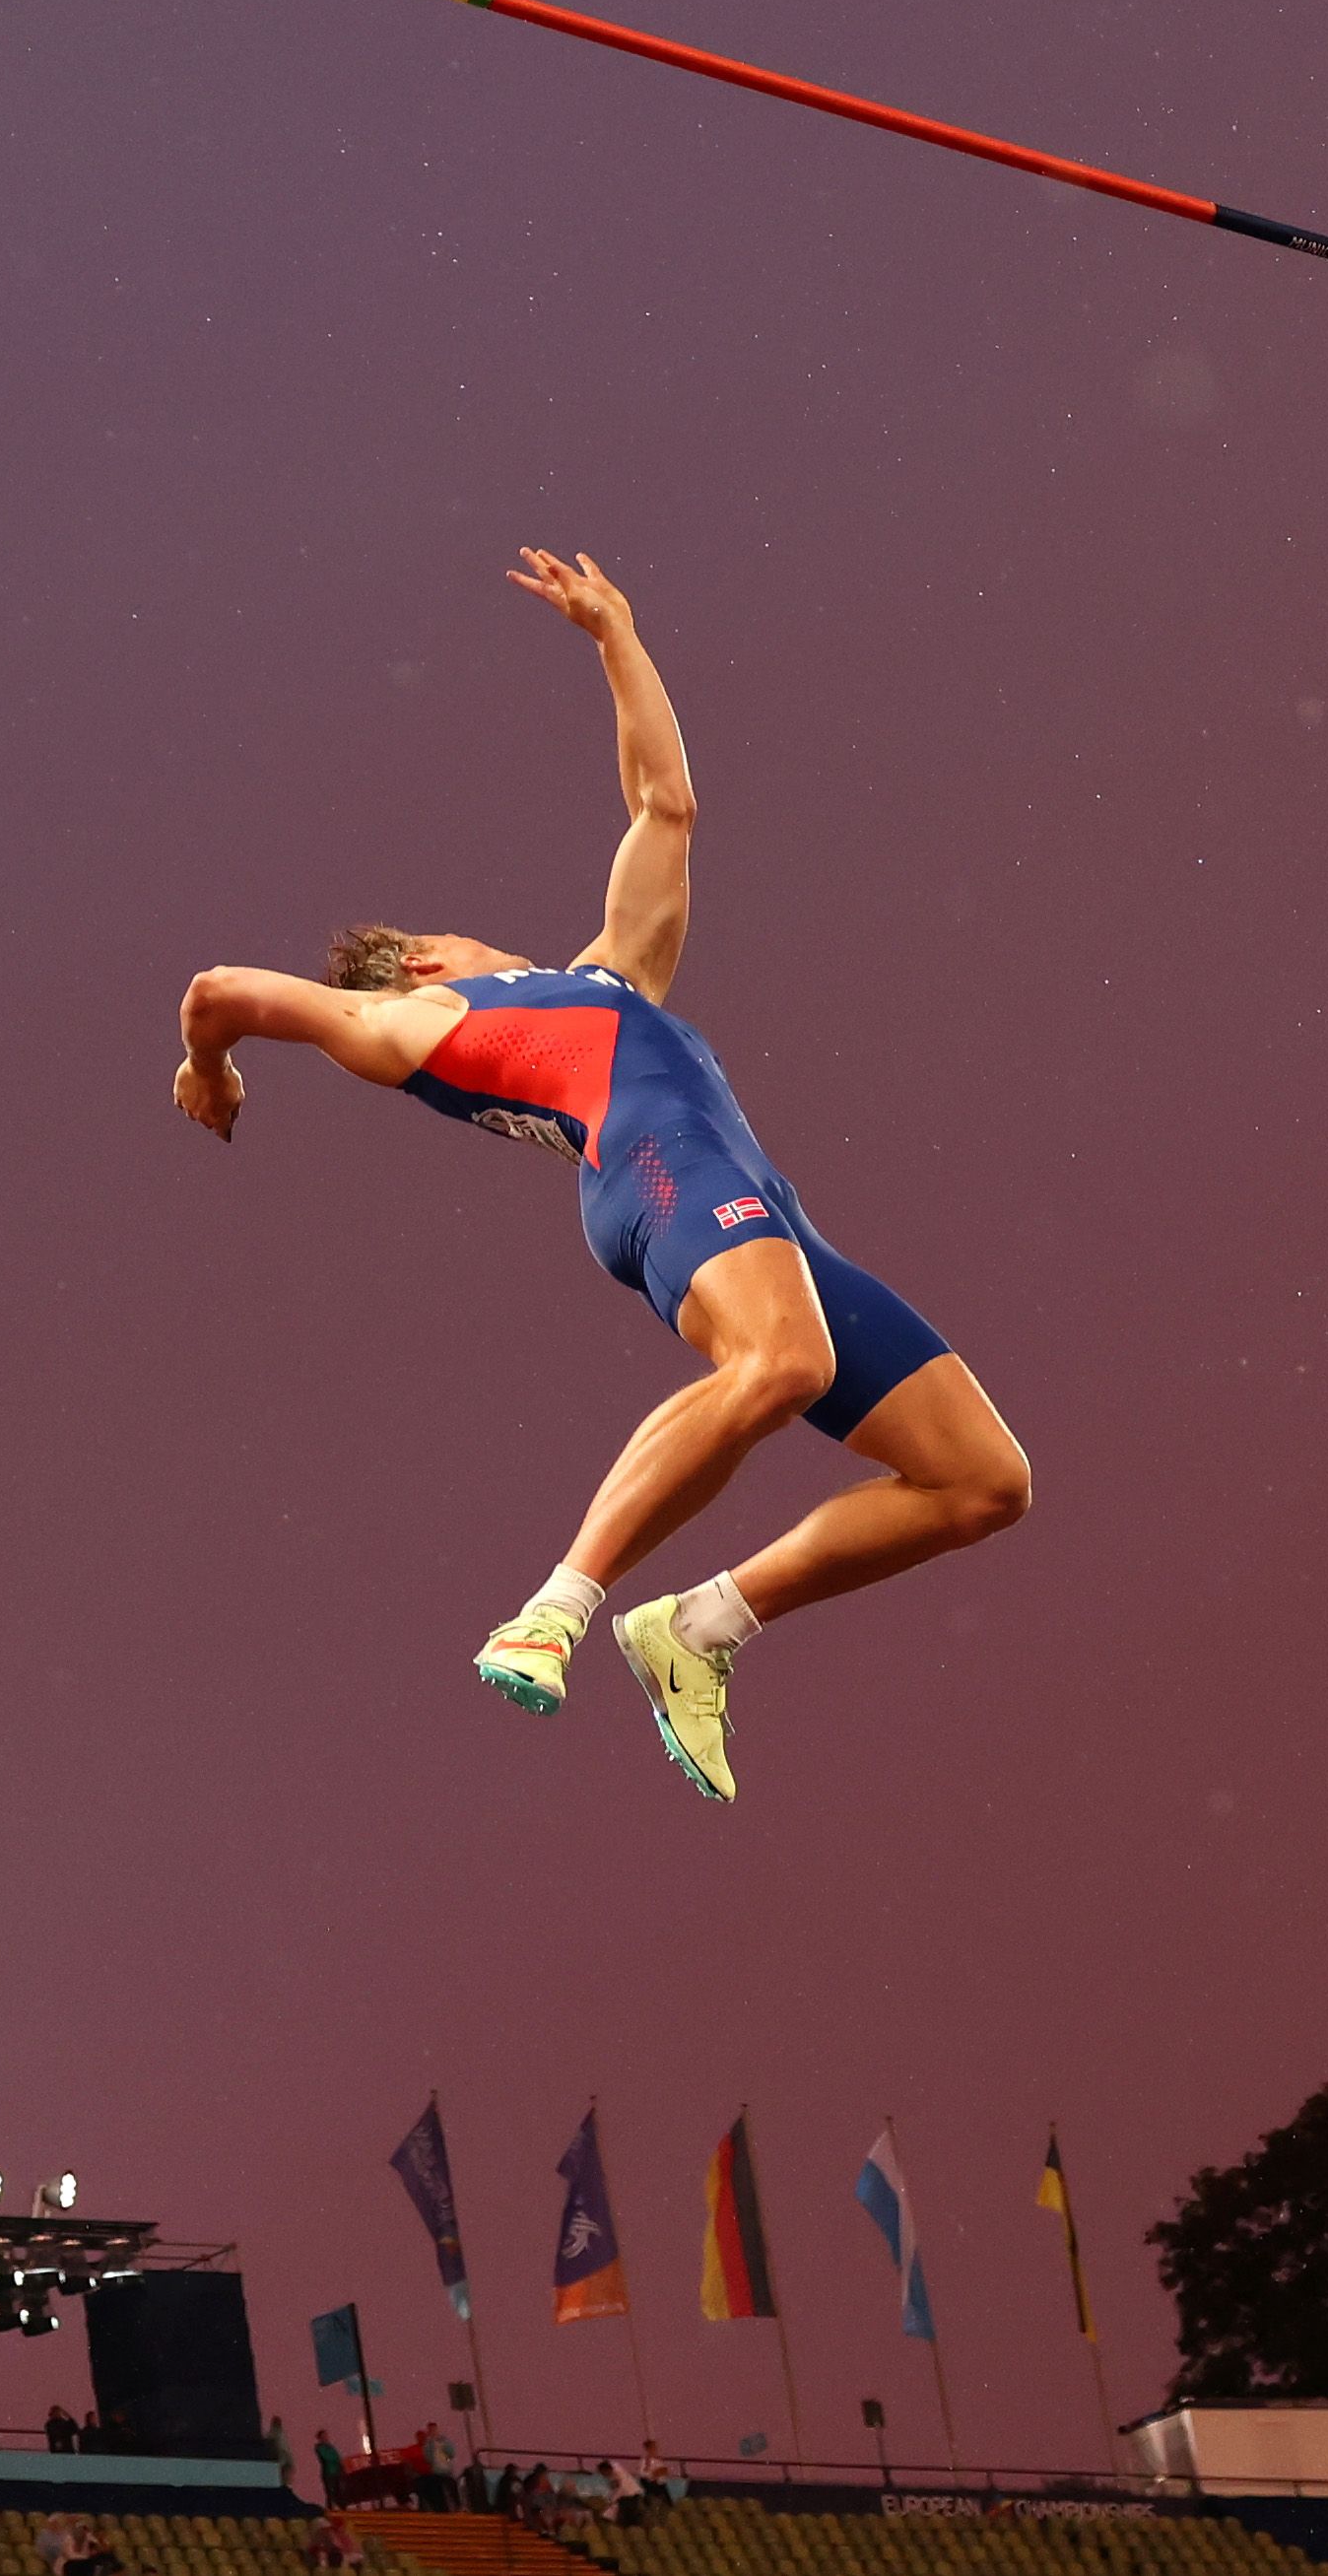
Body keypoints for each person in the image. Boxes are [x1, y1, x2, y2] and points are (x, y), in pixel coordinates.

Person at [169, 549, 1033, 1797]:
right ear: (418, 959)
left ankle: (701, 1628)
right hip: (660, 1175)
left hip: (756, 1204)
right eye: (450, 931)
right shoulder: (420, 1021)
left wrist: (612, 634)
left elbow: (664, 807)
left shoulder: (600, 985)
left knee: (978, 1478)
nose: (480, 928)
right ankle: (556, 1605)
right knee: (782, 1366)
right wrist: (214, 1068)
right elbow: (219, 989)